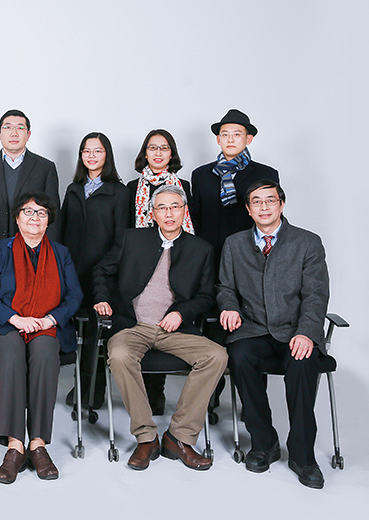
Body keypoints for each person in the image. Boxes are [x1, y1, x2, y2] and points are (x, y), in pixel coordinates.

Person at [93, 184, 227, 471]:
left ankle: (179, 437)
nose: (169, 213)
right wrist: (102, 298)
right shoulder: (132, 238)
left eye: (175, 207)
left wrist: (181, 313)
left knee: (216, 356)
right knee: (119, 355)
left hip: (175, 330)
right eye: (162, 207)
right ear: (152, 213)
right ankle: (146, 437)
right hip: (133, 326)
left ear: (184, 211)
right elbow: (101, 271)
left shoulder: (201, 249)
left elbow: (206, 296)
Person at [218, 180, 330, 489]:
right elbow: (225, 287)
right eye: (257, 201)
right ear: (248, 209)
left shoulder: (307, 242)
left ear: (281, 204)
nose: (264, 206)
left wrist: (307, 333)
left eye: (270, 200)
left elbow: (316, 295)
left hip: (295, 331)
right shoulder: (234, 244)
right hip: (253, 328)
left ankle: (303, 454)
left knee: (302, 362)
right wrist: (229, 307)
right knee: (239, 356)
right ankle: (264, 441)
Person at [0, 192, 82, 484]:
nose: (34, 217)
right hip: (7, 324)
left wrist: (50, 319)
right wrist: (15, 319)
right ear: (17, 218)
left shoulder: (61, 253)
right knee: (12, 354)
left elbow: (74, 295)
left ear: (48, 220)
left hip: (46, 325)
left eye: (41, 212)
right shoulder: (2, 250)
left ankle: (37, 443)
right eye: (28, 211)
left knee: (46, 353)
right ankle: (15, 445)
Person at [0, 109, 61, 401]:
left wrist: (52, 259)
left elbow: (53, 216)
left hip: (34, 254)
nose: (14, 132)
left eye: (20, 127)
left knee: (32, 307)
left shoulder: (44, 167)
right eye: (8, 127)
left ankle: (29, 377)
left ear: (28, 134)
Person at [127, 129, 195, 416]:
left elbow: (189, 225)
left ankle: (157, 391)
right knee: (142, 318)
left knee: (166, 318)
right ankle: (142, 394)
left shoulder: (184, 186)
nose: (157, 153)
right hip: (140, 262)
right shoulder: (132, 187)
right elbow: (126, 229)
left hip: (174, 260)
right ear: (145, 153)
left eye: (164, 148)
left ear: (171, 154)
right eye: (152, 148)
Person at [60, 132, 128, 411]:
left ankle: (94, 388)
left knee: (97, 332)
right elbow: (62, 232)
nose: (91, 156)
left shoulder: (119, 192)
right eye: (86, 151)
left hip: (104, 275)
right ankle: (80, 382)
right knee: (77, 329)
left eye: (97, 151)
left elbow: (122, 240)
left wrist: (104, 269)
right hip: (73, 273)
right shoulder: (73, 189)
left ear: (107, 155)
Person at [190, 109, 279, 269]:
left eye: (237, 134)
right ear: (218, 139)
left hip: (249, 254)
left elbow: (272, 217)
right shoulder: (201, 174)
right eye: (225, 134)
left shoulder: (265, 174)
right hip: (209, 254)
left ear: (248, 139)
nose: (230, 139)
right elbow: (195, 216)